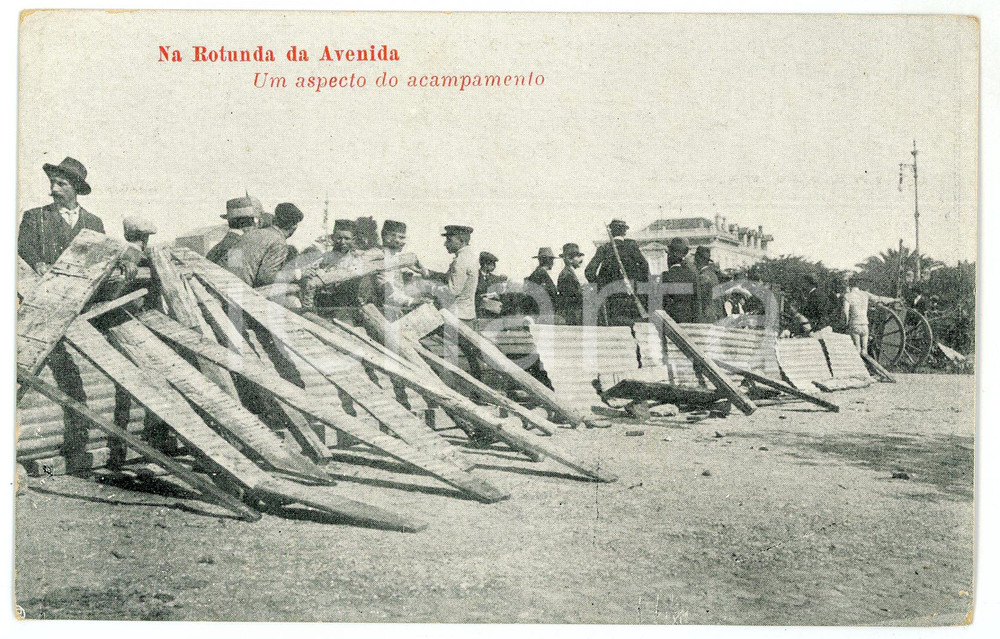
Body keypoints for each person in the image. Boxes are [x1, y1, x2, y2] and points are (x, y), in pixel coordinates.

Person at [18, 157, 105, 274]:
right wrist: (37, 263)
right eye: (52, 182)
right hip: (43, 286)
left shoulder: (94, 222)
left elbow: (103, 255)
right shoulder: (34, 216)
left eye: (61, 184)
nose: (54, 188)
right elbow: (23, 246)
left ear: (76, 188)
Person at [301, 218, 374, 314]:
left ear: (353, 239)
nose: (342, 242)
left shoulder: (358, 259)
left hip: (347, 307)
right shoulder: (323, 259)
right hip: (322, 306)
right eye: (339, 238)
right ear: (333, 238)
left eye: (347, 238)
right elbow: (309, 282)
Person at [584, 218, 649, 326]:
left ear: (611, 232)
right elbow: (645, 267)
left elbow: (589, 271)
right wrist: (637, 285)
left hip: (611, 298)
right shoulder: (632, 246)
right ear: (624, 232)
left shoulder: (604, 248)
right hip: (631, 296)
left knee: (614, 329)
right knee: (634, 327)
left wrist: (601, 286)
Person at [230, 202, 304, 288]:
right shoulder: (279, 242)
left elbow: (233, 263)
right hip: (241, 292)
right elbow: (266, 277)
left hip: (225, 285)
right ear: (294, 227)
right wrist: (297, 274)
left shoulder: (251, 233)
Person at [376, 219, 428, 320]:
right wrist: (412, 301)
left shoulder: (393, 257)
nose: (401, 242)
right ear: (385, 236)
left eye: (402, 237)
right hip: (384, 313)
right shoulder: (381, 259)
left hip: (392, 310)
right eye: (398, 237)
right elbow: (388, 294)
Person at [842, 275, 898, 353]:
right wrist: (894, 300)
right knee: (864, 350)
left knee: (857, 349)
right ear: (858, 285)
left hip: (854, 325)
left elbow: (845, 312)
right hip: (865, 325)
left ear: (849, 285)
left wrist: (846, 323)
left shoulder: (847, 296)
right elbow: (879, 298)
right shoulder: (865, 294)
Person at [207, 196, 258, 266]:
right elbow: (235, 274)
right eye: (251, 220)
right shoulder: (237, 245)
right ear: (244, 223)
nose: (254, 225)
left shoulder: (224, 243)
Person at [660, 237, 698, 324]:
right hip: (690, 321)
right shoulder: (692, 275)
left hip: (672, 322)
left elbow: (662, 303)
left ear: (669, 256)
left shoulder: (666, 276)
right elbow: (696, 301)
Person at [556, 243, 585, 325]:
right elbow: (572, 297)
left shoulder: (568, 273)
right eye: (578, 257)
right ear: (569, 259)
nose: (581, 259)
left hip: (572, 314)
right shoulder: (567, 275)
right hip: (572, 315)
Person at [524, 247, 558, 317]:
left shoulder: (539, 273)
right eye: (551, 259)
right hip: (542, 314)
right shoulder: (539, 274)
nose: (552, 262)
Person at [693, 245, 722, 324]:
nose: (694, 261)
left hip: (707, 318)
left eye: (695, 258)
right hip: (716, 315)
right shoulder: (713, 275)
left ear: (698, 259)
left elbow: (700, 300)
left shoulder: (703, 277)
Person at [476, 251, 507, 319]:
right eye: (492, 265)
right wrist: (485, 295)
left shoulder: (496, 279)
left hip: (493, 314)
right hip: (479, 313)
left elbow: (501, 295)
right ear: (485, 265)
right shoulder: (475, 277)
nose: (494, 267)